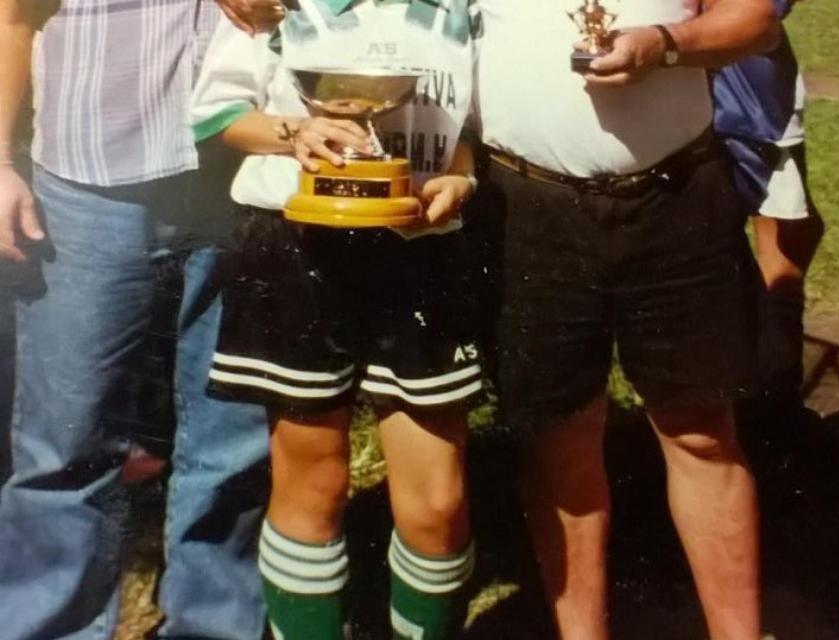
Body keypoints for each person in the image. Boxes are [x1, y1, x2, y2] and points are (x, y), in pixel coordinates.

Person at [474, 0, 779, 638]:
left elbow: (755, 20)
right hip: (526, 207)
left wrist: (664, 44)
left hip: (676, 196)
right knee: (559, 440)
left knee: (702, 433)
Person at [191, 1, 484, 637]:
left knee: (437, 503)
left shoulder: (460, 8)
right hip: (296, 245)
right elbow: (216, 116)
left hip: (422, 249)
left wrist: (462, 181)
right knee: (313, 482)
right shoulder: (271, 5)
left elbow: (467, 132)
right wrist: (297, 134)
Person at [0, 1, 283, 638]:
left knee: (233, 439)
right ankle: (49, 626)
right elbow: (10, 18)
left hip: (236, 182)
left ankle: (214, 624)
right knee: (64, 447)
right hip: (87, 184)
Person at [713, 0, 823, 403]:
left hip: (748, 100)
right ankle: (765, 405)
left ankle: (771, 399)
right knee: (772, 247)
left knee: (785, 241)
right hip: (737, 104)